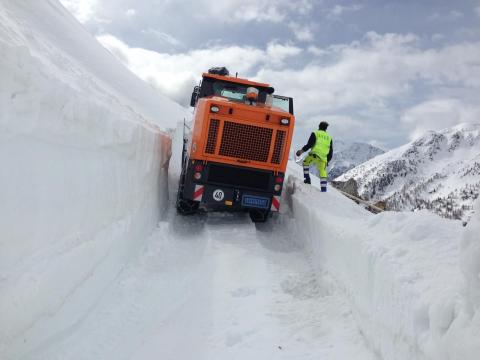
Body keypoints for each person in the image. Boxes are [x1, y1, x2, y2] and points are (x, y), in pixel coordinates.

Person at [296, 121, 333, 192]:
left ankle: (307, 180)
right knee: (323, 172)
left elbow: (309, 144)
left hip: (314, 155)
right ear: (326, 128)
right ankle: (324, 189)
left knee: (305, 163)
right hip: (323, 158)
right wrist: (327, 160)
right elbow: (331, 151)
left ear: (319, 126)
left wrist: (301, 151)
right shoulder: (329, 137)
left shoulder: (315, 133)